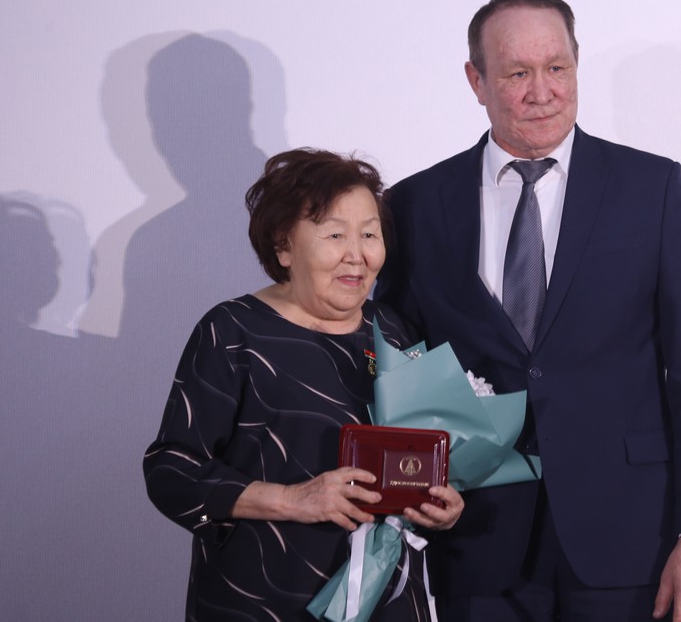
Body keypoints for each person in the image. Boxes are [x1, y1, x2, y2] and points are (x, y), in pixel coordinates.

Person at [377, 0, 681, 621]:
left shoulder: (651, 189)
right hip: (474, 540)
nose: (541, 92)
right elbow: (395, 365)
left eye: (556, 68)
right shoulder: (415, 204)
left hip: (629, 538)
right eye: (517, 73)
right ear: (476, 81)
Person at [144, 148, 464, 621]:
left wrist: (443, 501)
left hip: (387, 598)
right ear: (284, 245)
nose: (356, 255)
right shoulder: (233, 332)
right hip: (264, 597)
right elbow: (171, 471)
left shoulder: (395, 331)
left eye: (369, 234)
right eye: (334, 234)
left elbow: (421, 452)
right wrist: (293, 500)